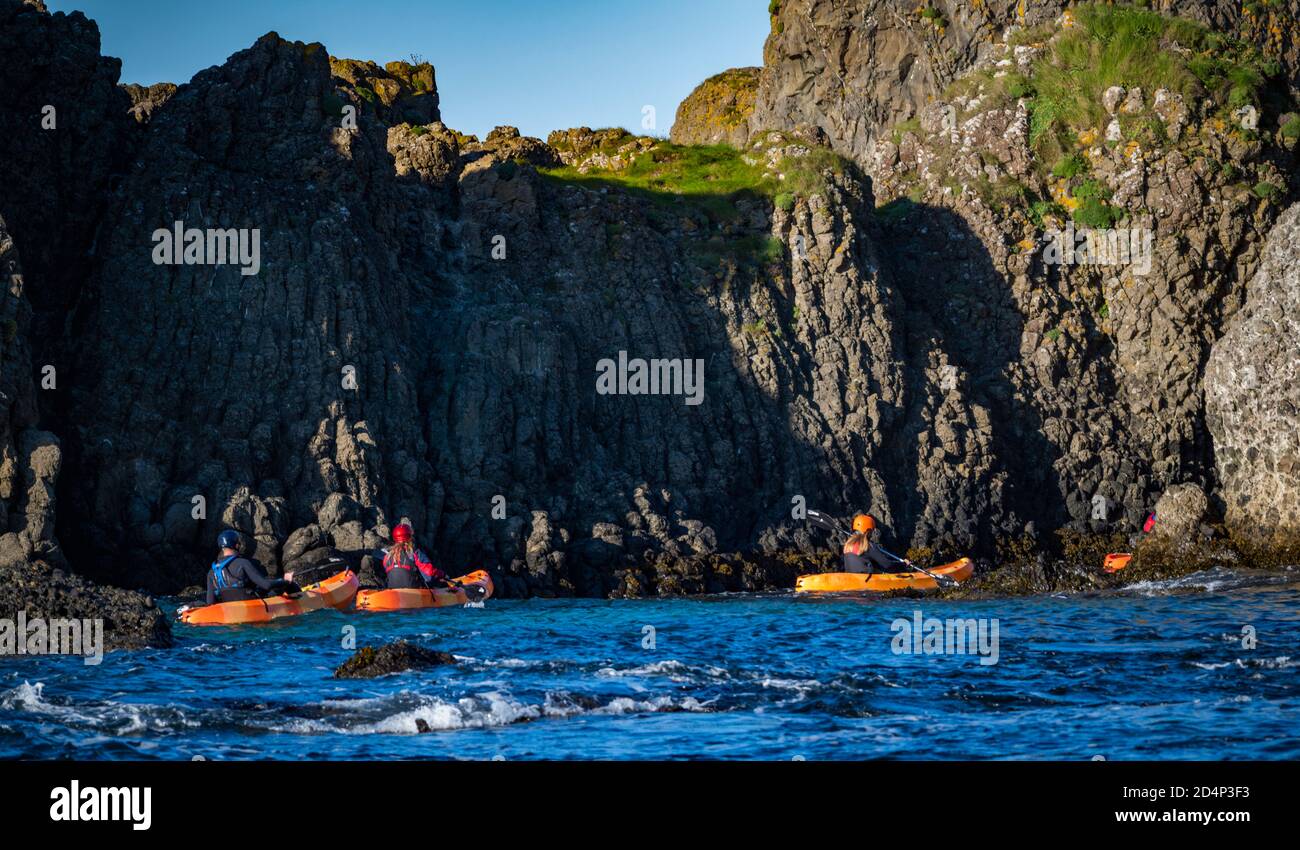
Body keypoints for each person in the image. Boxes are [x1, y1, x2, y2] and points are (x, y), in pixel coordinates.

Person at [206, 529, 299, 604]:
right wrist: (286, 580)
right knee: (286, 583)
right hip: (252, 604)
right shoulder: (243, 563)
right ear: (236, 545)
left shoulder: (211, 572)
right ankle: (302, 601)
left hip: (229, 608)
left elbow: (210, 602)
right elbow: (266, 585)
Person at [381, 523, 450, 589]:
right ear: (410, 537)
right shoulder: (414, 553)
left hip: (392, 592)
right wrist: (443, 575)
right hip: (413, 592)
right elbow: (429, 572)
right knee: (433, 581)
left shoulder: (386, 557)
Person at [842, 513, 912, 574]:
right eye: (871, 531)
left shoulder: (847, 545)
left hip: (852, 579)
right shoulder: (868, 546)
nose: (872, 534)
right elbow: (887, 565)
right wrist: (903, 564)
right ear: (868, 531)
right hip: (866, 580)